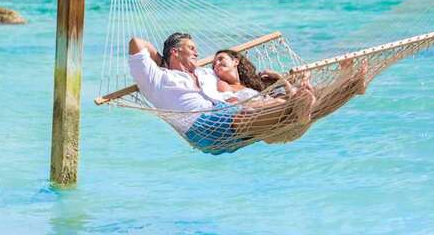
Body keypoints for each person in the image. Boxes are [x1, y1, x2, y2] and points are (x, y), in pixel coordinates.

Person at [128, 32, 315, 154]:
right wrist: (164, 62)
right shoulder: (156, 78)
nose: (197, 52)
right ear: (175, 51)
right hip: (201, 124)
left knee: (284, 110)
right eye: (191, 48)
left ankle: (304, 110)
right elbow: (136, 43)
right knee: (272, 109)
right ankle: (298, 110)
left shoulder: (205, 73)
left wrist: (279, 81)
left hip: (225, 114)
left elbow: (235, 84)